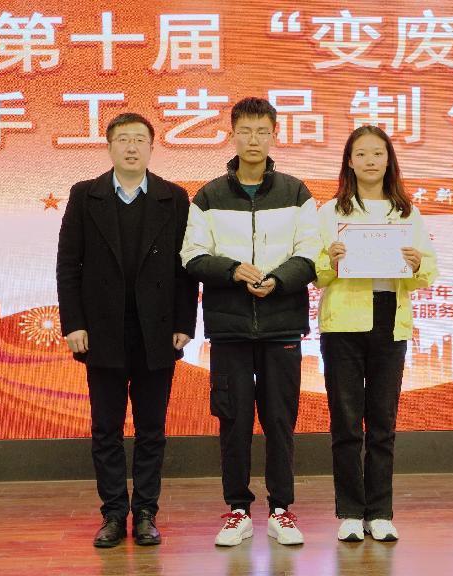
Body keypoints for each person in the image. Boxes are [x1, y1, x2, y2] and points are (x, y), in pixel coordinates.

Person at [180, 97, 320, 546]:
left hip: (282, 325)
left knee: (280, 420)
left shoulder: (296, 193)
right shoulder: (209, 196)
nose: (253, 139)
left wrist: (277, 280)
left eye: (262, 131)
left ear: (275, 135)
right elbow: (191, 255)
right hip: (230, 329)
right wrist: (233, 270)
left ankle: (281, 510)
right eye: (245, 131)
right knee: (234, 421)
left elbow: (311, 253)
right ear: (232, 135)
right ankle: (237, 510)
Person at [56, 112, 198, 548]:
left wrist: (184, 323)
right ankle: (114, 514)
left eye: (139, 139)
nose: (131, 147)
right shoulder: (85, 195)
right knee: (107, 429)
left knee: (152, 429)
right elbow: (68, 265)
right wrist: (74, 323)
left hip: (157, 331)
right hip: (102, 331)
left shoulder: (174, 198)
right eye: (123, 139)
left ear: (152, 147)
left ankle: (147, 512)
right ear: (109, 147)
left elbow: (185, 267)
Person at [315, 125, 438, 543]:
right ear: (349, 162)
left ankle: (380, 512)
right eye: (362, 154)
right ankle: (351, 512)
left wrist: (417, 263)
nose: (370, 161)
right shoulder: (331, 212)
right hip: (343, 321)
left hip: (390, 318)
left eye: (378, 154)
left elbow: (429, 271)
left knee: (383, 422)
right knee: (346, 423)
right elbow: (315, 272)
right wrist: (330, 260)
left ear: (389, 161)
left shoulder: (406, 212)